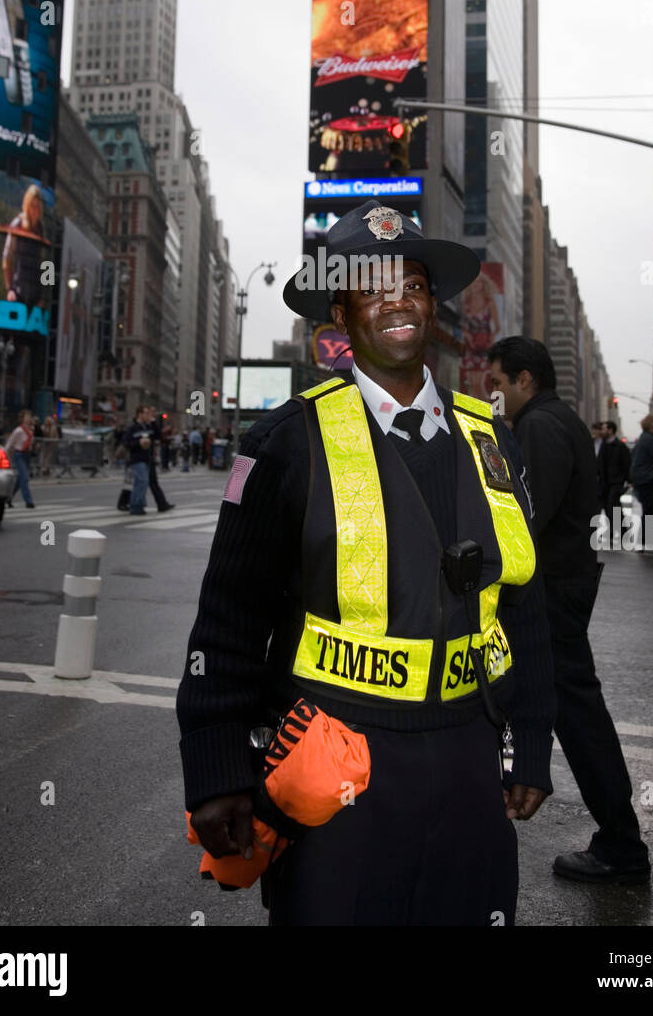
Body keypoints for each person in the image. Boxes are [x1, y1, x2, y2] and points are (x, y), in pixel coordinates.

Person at [176, 199, 556, 927]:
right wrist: (218, 768)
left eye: (411, 284)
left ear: (433, 308)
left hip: (470, 758)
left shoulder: (490, 442)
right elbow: (228, 620)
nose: (397, 302)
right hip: (337, 767)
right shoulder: (283, 442)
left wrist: (531, 740)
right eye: (371, 287)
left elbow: (526, 601)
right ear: (341, 318)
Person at [487, 337, 650, 885]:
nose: (494, 394)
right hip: (563, 580)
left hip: (551, 589)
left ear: (524, 380)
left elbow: (526, 515)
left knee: (577, 716)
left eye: (499, 383)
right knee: (560, 707)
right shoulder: (557, 421)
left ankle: (622, 846)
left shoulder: (539, 427)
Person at [630, 414, 653, 549]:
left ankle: (647, 542)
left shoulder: (644, 439)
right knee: (652, 512)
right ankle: (649, 543)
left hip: (646, 480)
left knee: (649, 512)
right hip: (651, 481)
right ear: (652, 426)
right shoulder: (650, 440)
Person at [599, 420, 631, 547]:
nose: (602, 431)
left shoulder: (620, 447)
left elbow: (627, 464)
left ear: (611, 430)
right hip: (604, 483)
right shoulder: (603, 445)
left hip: (616, 483)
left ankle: (622, 533)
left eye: (604, 429)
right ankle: (615, 532)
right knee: (609, 508)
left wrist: (628, 481)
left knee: (613, 507)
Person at [122, 406, 153, 515]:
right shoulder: (132, 428)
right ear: (139, 414)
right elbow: (126, 443)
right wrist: (138, 443)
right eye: (145, 413)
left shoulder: (146, 427)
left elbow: (157, 436)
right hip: (136, 458)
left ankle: (138, 505)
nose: (147, 415)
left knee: (141, 483)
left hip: (146, 458)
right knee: (141, 481)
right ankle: (136, 506)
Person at [146, 406, 174, 512]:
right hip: (141, 457)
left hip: (148, 457)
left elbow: (157, 435)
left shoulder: (150, 424)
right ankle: (126, 502)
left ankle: (162, 504)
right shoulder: (142, 425)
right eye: (150, 413)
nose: (153, 415)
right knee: (139, 482)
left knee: (151, 481)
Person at [5, 410, 35, 509]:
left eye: (29, 416)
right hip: (19, 455)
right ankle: (29, 501)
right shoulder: (18, 430)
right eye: (26, 416)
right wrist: (5, 455)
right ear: (22, 418)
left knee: (19, 480)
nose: (28, 418)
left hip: (27, 455)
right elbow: (10, 443)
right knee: (24, 477)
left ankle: (8, 498)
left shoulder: (30, 430)